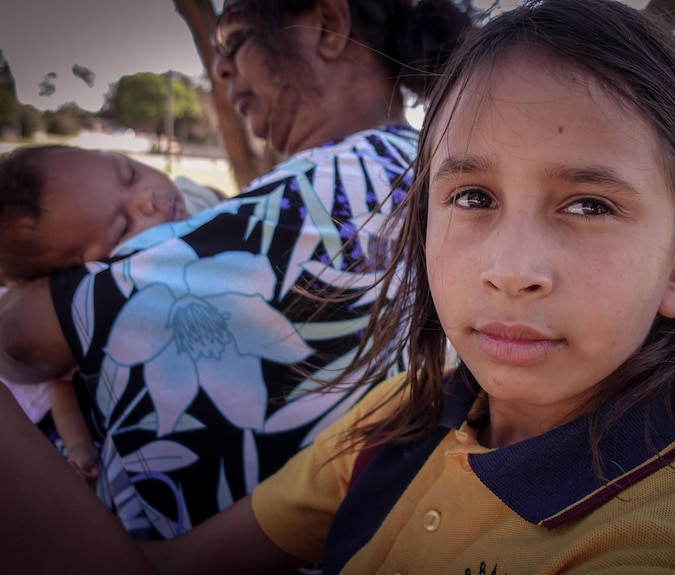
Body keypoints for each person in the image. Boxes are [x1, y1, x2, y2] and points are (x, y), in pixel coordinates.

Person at [0, 0, 675, 572]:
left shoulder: (656, 551)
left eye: (590, 203)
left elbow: (32, 333)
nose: (510, 267)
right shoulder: (401, 419)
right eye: (471, 197)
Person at [0, 0, 477, 542]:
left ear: (327, 25)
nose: (220, 66)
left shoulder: (331, 195)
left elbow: (25, 334)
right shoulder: (416, 164)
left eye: (235, 41)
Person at [0, 144, 225, 488]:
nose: (147, 200)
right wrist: (78, 445)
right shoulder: (108, 305)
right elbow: (62, 389)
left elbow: (216, 195)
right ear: (81, 277)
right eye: (122, 227)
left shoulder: (186, 195)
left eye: (129, 174)